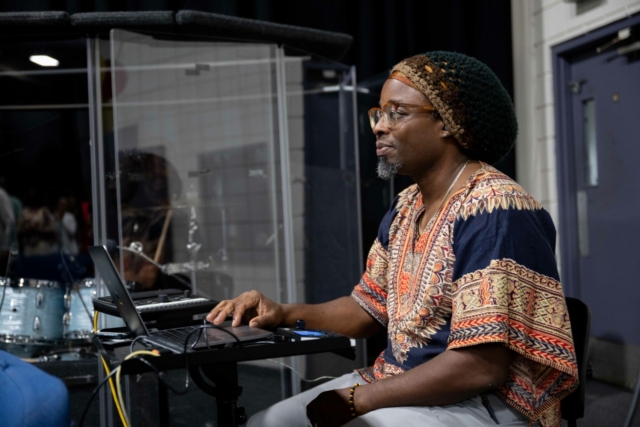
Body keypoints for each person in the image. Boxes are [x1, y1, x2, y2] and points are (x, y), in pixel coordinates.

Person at [206, 51, 578, 427]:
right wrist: (282, 312)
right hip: (400, 383)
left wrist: (360, 399)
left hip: (483, 402)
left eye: (396, 113)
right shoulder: (406, 206)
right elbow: (365, 309)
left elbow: (480, 368)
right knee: (266, 423)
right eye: (378, 114)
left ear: (448, 122)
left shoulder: (495, 209)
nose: (379, 127)